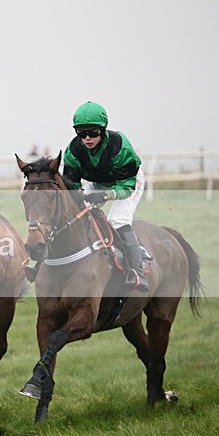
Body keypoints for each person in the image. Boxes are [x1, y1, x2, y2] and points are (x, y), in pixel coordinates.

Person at [62, 101, 150, 292]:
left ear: (103, 130)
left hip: (128, 181)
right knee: (78, 214)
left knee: (118, 219)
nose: (87, 138)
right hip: (98, 181)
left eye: (92, 132)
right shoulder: (73, 150)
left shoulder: (119, 145)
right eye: (81, 133)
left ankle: (136, 271)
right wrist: (77, 197)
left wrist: (106, 196)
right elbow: (71, 186)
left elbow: (126, 186)